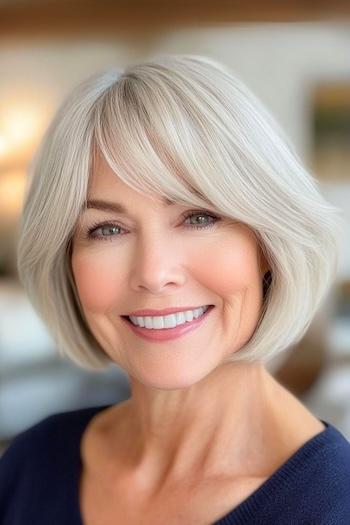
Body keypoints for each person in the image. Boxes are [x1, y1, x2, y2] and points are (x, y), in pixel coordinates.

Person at [0, 54, 349, 525]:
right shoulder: (30, 466)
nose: (154, 272)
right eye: (106, 229)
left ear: (268, 244)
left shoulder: (332, 506)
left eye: (199, 217)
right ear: (67, 261)